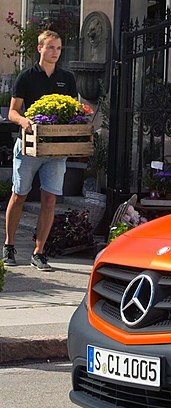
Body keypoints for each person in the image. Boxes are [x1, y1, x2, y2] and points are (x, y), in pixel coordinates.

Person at [3, 30, 77, 272]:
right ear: (40, 49)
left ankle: (39, 252)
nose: (55, 52)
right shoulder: (26, 76)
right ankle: (9, 245)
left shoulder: (67, 78)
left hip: (56, 149)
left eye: (58, 48)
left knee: (50, 199)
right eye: (51, 47)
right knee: (20, 194)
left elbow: (73, 111)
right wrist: (24, 122)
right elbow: (12, 112)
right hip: (28, 147)